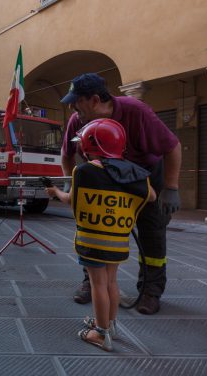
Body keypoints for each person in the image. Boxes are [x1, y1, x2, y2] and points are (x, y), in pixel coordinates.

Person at [59, 73, 181, 315]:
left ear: (94, 99)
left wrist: (171, 188)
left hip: (144, 175)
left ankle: (150, 291)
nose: (72, 107)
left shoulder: (136, 111)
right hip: (104, 176)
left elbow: (172, 146)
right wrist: (69, 184)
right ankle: (92, 282)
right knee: (95, 229)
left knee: (152, 234)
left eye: (76, 101)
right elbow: (66, 154)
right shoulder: (77, 120)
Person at [47, 118, 156, 351]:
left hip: (92, 240)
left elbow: (71, 200)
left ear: (89, 144)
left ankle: (100, 333)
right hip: (118, 241)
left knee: (98, 284)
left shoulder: (83, 171)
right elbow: (152, 196)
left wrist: (55, 191)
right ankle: (110, 324)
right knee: (112, 282)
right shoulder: (135, 174)